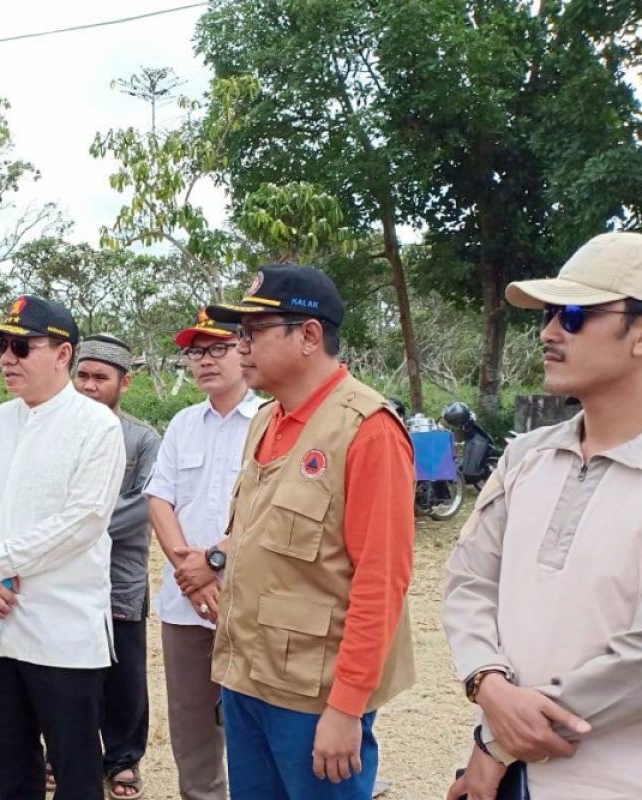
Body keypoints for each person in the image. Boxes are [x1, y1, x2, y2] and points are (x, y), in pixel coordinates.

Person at [443, 232, 642, 800]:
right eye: (549, 314)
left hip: (625, 782)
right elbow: (469, 581)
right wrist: (487, 683)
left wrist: (497, 744)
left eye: (574, 314)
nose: (549, 332)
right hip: (510, 774)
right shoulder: (527, 456)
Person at [205, 264, 416, 800]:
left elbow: (381, 580)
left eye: (253, 332)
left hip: (312, 696)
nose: (240, 346)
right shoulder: (266, 419)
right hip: (247, 678)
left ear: (309, 335)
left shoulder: (367, 431)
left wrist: (346, 707)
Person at [0, 295, 125, 800]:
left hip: (60, 629)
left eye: (21, 347)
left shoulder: (97, 427)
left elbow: (83, 521)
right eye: (3, 346)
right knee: (11, 765)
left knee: (76, 770)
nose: (6, 358)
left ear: (63, 354)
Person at [142, 308, 259, 800]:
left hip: (253, 600)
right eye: (196, 351)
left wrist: (214, 562)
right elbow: (159, 498)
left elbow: (267, 511)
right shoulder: (183, 423)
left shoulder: (273, 420)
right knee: (191, 723)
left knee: (255, 720)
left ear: (245, 348)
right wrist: (189, 572)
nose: (205, 361)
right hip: (185, 603)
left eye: (218, 348)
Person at [72, 334, 160, 800]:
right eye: (82, 375)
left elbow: (145, 505)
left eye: (100, 378)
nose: (88, 386)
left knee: (125, 677)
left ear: (124, 382)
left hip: (120, 578)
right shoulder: (56, 431)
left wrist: (72, 527)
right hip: (62, 579)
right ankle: (65, 755)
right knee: (66, 673)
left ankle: (124, 759)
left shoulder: (144, 439)